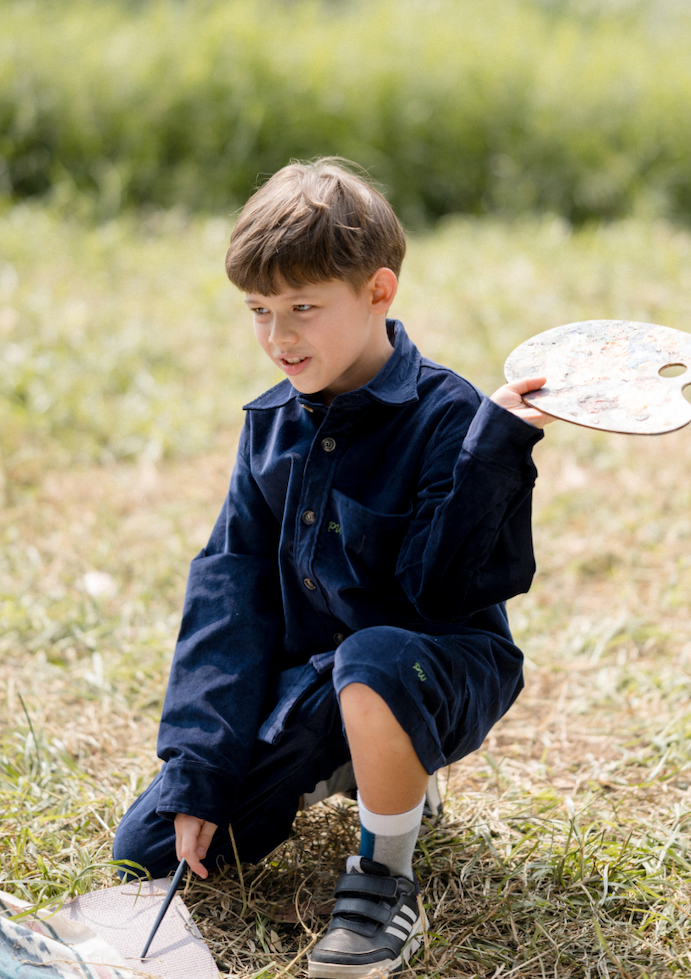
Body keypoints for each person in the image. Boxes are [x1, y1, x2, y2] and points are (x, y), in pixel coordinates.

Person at [113, 157, 552, 978]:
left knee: (373, 658)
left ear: (378, 292)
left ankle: (386, 873)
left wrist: (494, 452)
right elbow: (229, 589)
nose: (279, 336)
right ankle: (354, 753)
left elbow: (439, 593)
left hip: (434, 660)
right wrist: (201, 765)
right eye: (259, 310)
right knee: (150, 849)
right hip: (319, 676)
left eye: (303, 308)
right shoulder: (268, 426)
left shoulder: (452, 418)